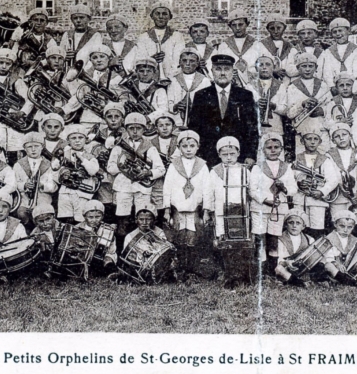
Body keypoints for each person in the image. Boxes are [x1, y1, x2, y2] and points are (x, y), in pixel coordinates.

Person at [187, 54, 259, 166]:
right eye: (218, 69)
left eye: (227, 69)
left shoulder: (245, 96)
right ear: (212, 71)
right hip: (208, 156)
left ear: (233, 71)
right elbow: (194, 128)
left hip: (238, 155)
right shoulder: (201, 95)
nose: (222, 73)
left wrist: (250, 155)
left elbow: (252, 128)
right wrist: (197, 156)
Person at [107, 112, 165, 247]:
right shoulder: (118, 146)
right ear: (126, 129)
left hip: (142, 188)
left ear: (144, 129)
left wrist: (147, 172)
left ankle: (142, 249)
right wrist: (123, 167)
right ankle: (121, 250)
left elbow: (161, 169)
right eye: (131, 128)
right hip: (123, 186)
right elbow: (110, 167)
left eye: (138, 128)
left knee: (143, 218)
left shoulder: (149, 147)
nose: (134, 131)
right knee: (122, 219)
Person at [204, 137, 254, 289]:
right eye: (225, 154)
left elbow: (251, 190)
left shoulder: (244, 170)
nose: (229, 157)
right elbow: (208, 193)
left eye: (232, 153)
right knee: (226, 243)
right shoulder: (215, 172)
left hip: (240, 212)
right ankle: (230, 277)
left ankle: (244, 276)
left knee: (241, 243)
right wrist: (207, 211)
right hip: (221, 213)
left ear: (238, 153)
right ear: (219, 154)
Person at [162, 130, 210, 279]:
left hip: (194, 209)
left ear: (198, 147)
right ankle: (180, 268)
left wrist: (207, 210)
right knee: (179, 236)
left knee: (194, 237)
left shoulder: (202, 166)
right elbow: (167, 188)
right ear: (179, 147)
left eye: (192, 146)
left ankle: (193, 268)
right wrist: (167, 209)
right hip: (178, 209)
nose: (188, 149)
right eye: (184, 146)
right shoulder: (173, 165)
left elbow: (207, 189)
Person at [249, 133, 298, 274]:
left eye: (276, 147)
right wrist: (265, 199)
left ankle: (272, 270)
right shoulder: (258, 167)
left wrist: (284, 188)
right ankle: (260, 270)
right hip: (260, 207)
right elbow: (252, 189)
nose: (273, 150)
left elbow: (294, 188)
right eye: (269, 147)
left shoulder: (286, 167)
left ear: (281, 149)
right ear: (263, 150)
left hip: (279, 208)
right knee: (260, 237)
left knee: (274, 238)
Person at [292, 124, 341, 239]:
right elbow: (291, 176)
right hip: (300, 200)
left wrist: (322, 192)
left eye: (315, 139)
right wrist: (299, 181)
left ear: (320, 142)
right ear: (302, 141)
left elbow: (333, 180)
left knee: (316, 229)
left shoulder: (325, 160)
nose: (312, 142)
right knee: (299, 227)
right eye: (309, 139)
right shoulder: (297, 158)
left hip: (317, 200)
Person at [284, 52, 332, 155]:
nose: (307, 69)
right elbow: (289, 113)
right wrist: (302, 104)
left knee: (323, 160)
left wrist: (322, 111)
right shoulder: (292, 87)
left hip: (321, 130)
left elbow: (331, 107)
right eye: (304, 66)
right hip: (302, 133)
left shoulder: (323, 85)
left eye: (310, 66)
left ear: (316, 67)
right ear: (298, 68)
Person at [63, 44, 123, 125]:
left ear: (109, 59)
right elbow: (78, 96)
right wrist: (64, 110)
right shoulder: (87, 76)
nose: (98, 60)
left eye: (102, 56)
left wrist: (105, 105)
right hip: (87, 119)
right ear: (90, 60)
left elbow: (121, 100)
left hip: (107, 121)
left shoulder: (117, 78)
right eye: (95, 57)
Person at [112, 203, 172, 283]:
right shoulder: (130, 236)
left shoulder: (160, 233)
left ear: (154, 220)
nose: (144, 222)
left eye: (148, 219)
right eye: (141, 219)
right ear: (136, 220)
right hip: (139, 266)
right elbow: (129, 258)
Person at [54, 125, 101, 223]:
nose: (77, 141)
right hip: (65, 192)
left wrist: (82, 158)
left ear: (86, 140)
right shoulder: (63, 154)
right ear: (68, 141)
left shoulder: (89, 156)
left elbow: (93, 171)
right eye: (73, 138)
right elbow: (54, 171)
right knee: (65, 220)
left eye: (80, 138)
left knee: (80, 220)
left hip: (82, 193)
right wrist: (63, 173)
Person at [13, 132, 57, 230]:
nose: (33, 149)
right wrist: (24, 185)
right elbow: (13, 183)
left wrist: (42, 185)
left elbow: (54, 186)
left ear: (42, 147)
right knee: (21, 213)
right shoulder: (18, 165)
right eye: (29, 147)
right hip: (24, 201)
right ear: (24, 149)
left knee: (43, 215)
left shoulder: (49, 164)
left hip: (43, 200)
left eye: (36, 146)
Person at [322, 210, 357, 288]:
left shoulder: (354, 240)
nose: (345, 230)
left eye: (349, 227)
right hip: (336, 267)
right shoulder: (330, 238)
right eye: (342, 226)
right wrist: (337, 264)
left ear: (353, 227)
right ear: (335, 224)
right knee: (328, 265)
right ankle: (346, 281)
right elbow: (328, 257)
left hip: (349, 268)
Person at [135, 2, 186, 82]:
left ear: (170, 17)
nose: (161, 17)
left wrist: (170, 77)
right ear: (152, 16)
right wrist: (152, 59)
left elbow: (178, 59)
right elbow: (139, 58)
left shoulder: (177, 36)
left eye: (164, 14)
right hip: (149, 80)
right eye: (157, 14)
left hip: (172, 78)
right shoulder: (143, 37)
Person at [325, 123, 357, 226]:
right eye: (337, 136)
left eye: (344, 134)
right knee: (338, 223)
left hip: (356, 197)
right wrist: (342, 189)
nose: (341, 138)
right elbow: (331, 174)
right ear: (333, 141)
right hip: (338, 197)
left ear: (350, 136)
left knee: (354, 224)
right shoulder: (329, 155)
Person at [215, 9, 265, 86]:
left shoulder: (257, 45)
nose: (237, 28)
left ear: (247, 24)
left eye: (241, 24)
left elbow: (262, 67)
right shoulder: (224, 46)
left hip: (252, 84)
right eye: (234, 25)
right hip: (231, 85)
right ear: (229, 26)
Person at [167, 48, 212, 127]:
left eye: (192, 61)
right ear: (179, 62)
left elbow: (208, 104)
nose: (187, 64)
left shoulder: (205, 81)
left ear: (197, 63)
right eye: (184, 60)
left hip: (199, 121)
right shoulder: (173, 80)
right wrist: (176, 106)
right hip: (177, 121)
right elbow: (169, 102)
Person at [316, 18, 357, 89]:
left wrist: (352, 85)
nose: (338, 34)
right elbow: (327, 72)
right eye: (335, 32)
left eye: (340, 31)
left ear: (348, 31)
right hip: (334, 87)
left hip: (352, 86)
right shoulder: (327, 52)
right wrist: (331, 86)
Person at [325, 73, 357, 147]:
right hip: (338, 142)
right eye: (341, 85)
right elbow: (327, 123)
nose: (345, 88)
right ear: (336, 88)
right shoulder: (332, 103)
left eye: (348, 85)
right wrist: (340, 122)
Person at [248, 55, 289, 136]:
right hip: (256, 129)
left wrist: (273, 106)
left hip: (276, 128)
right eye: (261, 65)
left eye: (268, 64)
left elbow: (286, 110)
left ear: (273, 67)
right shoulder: (249, 86)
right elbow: (245, 108)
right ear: (256, 68)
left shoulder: (282, 86)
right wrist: (255, 105)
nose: (264, 67)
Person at [274, 209, 316, 287]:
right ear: (286, 225)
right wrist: (286, 262)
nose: (294, 226)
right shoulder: (281, 239)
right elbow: (280, 259)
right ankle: (298, 283)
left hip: (303, 268)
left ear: (303, 226)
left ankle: (298, 281)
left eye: (298, 223)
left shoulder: (309, 239)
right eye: (291, 222)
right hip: (288, 267)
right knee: (279, 269)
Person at [74, 199, 117, 271]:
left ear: (102, 216)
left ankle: (109, 268)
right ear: (84, 216)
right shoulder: (78, 228)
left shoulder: (107, 229)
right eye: (90, 217)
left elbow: (111, 250)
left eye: (97, 217)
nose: (94, 220)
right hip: (82, 256)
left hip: (100, 257)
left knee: (109, 258)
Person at [259, 13, 298, 77]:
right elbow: (256, 65)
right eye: (272, 28)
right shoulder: (261, 45)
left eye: (279, 28)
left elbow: (293, 67)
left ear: (284, 28)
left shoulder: (290, 47)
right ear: (267, 29)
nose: (276, 31)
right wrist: (273, 71)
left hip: (285, 81)